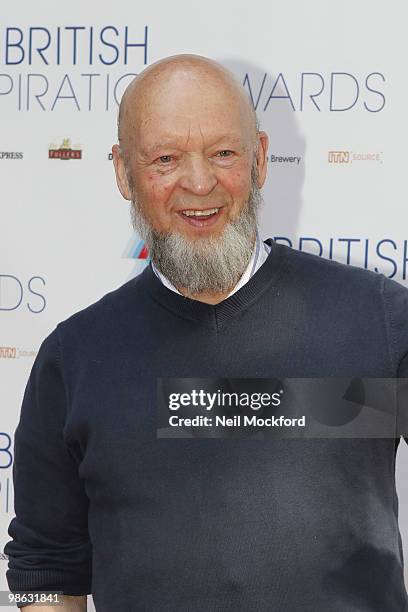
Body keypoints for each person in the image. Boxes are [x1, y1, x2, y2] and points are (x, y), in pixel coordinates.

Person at [3, 53, 408, 611]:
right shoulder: (74, 359)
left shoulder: (377, 320)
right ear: (122, 172)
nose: (199, 183)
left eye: (223, 153)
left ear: (261, 159)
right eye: (166, 159)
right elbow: (48, 569)